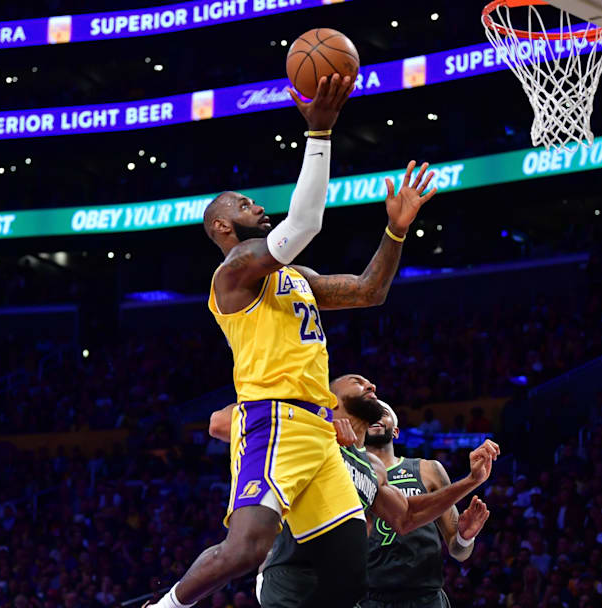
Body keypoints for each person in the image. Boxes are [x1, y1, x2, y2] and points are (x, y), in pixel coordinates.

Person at [147, 69, 439, 608]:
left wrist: (395, 231)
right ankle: (163, 607)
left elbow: (369, 291)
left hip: (319, 429)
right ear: (222, 228)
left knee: (350, 576)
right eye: (242, 204)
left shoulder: (296, 277)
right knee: (247, 550)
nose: (255, 205)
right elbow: (304, 223)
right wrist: (320, 132)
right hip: (272, 418)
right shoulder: (232, 273)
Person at [209, 374, 498, 608]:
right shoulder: (318, 433)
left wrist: (471, 483)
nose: (372, 387)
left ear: (395, 429)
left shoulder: (384, 467)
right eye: (359, 383)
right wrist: (306, 415)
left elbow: (408, 516)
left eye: (383, 408)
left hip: (392, 591)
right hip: (306, 577)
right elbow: (220, 423)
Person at [361, 401, 494, 608]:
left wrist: (465, 537)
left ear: (395, 431)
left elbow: (459, 552)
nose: (375, 417)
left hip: (425, 597)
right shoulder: (350, 475)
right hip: (370, 598)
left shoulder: (428, 470)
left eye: (382, 413)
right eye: (368, 414)